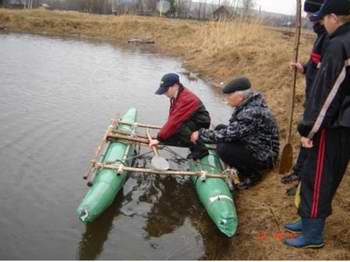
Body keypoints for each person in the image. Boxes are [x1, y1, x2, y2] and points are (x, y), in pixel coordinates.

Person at [284, 0, 350, 248]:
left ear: (335, 16)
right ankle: (308, 220)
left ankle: (313, 235)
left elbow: (327, 95)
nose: (321, 22)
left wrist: (309, 129)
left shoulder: (338, 45)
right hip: (344, 123)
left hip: (332, 125)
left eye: (324, 18)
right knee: (327, 174)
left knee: (318, 176)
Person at [191, 76, 280, 189]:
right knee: (219, 128)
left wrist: (201, 134)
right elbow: (233, 130)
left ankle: (253, 174)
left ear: (240, 96)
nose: (227, 98)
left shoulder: (251, 112)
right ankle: (243, 165)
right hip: (256, 143)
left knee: (223, 149)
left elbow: (229, 134)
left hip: (265, 155)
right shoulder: (249, 103)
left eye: (229, 96)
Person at [281, 0, 329, 185]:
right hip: (312, 98)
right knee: (307, 136)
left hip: (320, 101)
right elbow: (316, 64)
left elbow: (327, 72)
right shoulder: (321, 34)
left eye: (310, 14)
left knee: (311, 137)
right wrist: (303, 68)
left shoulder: (330, 38)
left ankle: (304, 176)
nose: (308, 18)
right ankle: (299, 171)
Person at [148, 73, 211, 160]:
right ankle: (189, 141)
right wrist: (165, 135)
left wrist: (159, 138)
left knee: (178, 126)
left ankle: (201, 149)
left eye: (166, 90)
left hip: (201, 122)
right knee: (174, 128)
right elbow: (173, 115)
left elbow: (175, 120)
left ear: (175, 85)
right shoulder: (178, 93)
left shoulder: (186, 98)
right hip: (191, 119)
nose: (164, 93)